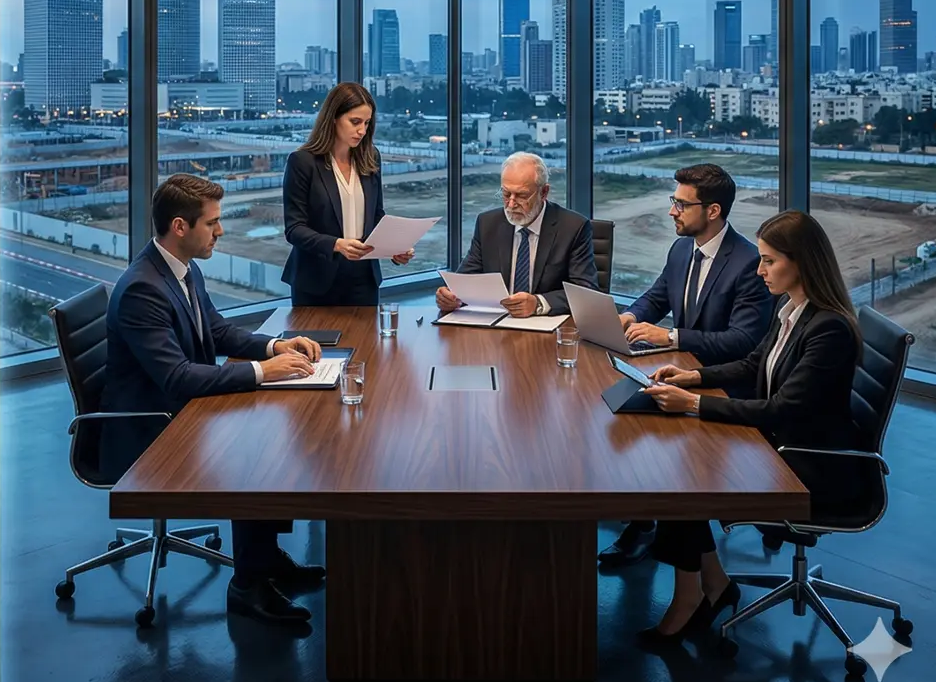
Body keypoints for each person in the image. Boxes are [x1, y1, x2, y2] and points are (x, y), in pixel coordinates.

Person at [101, 174, 327, 628]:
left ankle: (264, 561)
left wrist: (273, 348)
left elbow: (218, 332)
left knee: (271, 429)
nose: (220, 231)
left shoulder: (180, 268)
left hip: (176, 409)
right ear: (181, 226)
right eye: (213, 223)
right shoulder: (144, 289)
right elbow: (177, 376)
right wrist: (264, 373)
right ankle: (247, 586)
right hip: (148, 429)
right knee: (257, 451)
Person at [636, 211, 867, 648]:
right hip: (785, 444)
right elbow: (752, 364)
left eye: (768, 261)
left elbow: (783, 409)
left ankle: (691, 597)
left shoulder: (829, 328)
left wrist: (695, 405)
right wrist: (694, 378)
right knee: (679, 464)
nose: (759, 271)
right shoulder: (792, 307)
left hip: (812, 466)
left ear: (800, 262)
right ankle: (712, 586)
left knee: (680, 476)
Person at [599, 163, 776, 569]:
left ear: (712, 211)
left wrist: (670, 337)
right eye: (672, 201)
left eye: (681, 203)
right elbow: (657, 296)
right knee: (620, 408)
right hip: (689, 370)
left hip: (726, 383)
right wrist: (631, 314)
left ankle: (651, 527)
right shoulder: (682, 248)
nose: (672, 211)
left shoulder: (748, 262)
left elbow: (743, 342)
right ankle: (645, 521)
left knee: (647, 427)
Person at [282, 83, 414, 306]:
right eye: (355, 122)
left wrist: (394, 247)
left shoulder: (371, 158)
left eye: (366, 123)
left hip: (364, 278)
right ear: (333, 118)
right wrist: (336, 244)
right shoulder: (302, 162)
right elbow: (294, 229)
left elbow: (376, 215)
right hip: (317, 280)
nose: (362, 130)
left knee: (367, 341)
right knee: (318, 341)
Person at [437, 151, 596, 316]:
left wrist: (538, 303)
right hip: (496, 326)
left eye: (522, 196)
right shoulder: (488, 224)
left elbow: (585, 291)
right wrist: (450, 296)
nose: (511, 204)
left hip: (547, 330)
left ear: (544, 192)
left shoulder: (573, 227)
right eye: (506, 194)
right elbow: (466, 278)